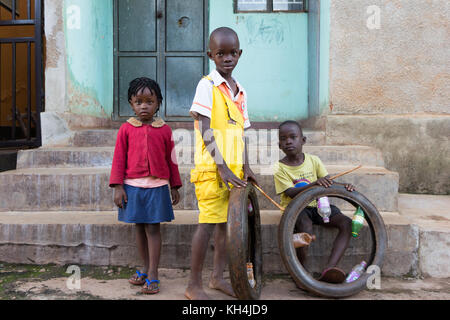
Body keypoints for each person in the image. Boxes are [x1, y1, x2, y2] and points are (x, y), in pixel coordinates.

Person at [185, 27, 257, 300]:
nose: (227, 58)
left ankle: (216, 278)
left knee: (226, 227)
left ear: (239, 54)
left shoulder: (240, 92)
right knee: (206, 225)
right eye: (221, 54)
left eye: (232, 53)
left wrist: (246, 167)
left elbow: (242, 133)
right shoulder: (207, 85)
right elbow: (205, 128)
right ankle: (193, 284)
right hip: (213, 171)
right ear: (211, 56)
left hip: (234, 173)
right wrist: (221, 165)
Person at [109, 77, 182, 294]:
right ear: (131, 103)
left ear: (158, 103)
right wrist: (118, 186)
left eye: (149, 101)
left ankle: (153, 273)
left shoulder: (165, 130)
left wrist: (174, 186)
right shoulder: (126, 129)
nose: (144, 106)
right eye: (139, 101)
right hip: (132, 187)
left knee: (153, 228)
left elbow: (172, 160)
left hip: (158, 187)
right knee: (139, 228)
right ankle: (144, 267)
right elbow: (119, 158)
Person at [273, 120, 355, 284]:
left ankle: (329, 269)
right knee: (305, 228)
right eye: (283, 138)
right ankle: (301, 273)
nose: (288, 141)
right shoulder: (279, 167)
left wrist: (344, 186)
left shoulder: (313, 160)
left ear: (303, 141)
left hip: (318, 206)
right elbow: (290, 193)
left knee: (346, 223)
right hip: (295, 208)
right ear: (279, 145)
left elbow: (326, 182)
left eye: (293, 137)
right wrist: (314, 184)